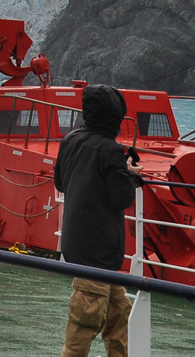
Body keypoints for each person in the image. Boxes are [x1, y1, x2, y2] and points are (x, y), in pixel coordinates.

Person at [53, 84, 143, 357]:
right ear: (115, 116)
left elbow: (61, 182)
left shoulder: (70, 140)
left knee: (118, 314)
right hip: (98, 252)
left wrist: (119, 170)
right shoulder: (110, 150)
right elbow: (121, 198)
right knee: (84, 322)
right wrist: (129, 174)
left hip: (81, 246)